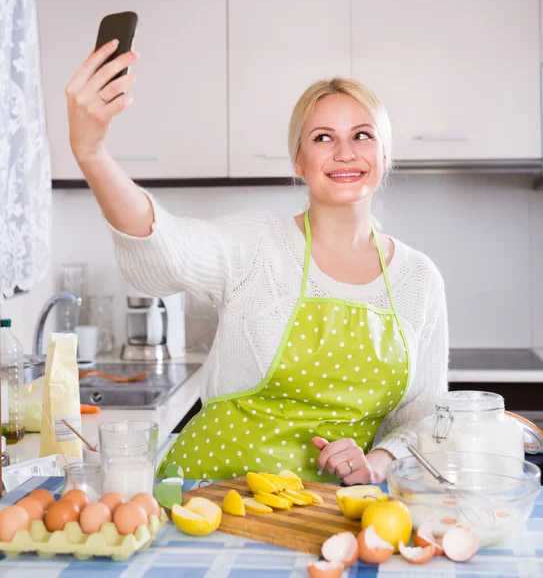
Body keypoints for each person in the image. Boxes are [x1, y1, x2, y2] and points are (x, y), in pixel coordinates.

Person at [66, 40, 448, 485]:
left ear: (384, 155)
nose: (345, 152)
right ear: (299, 162)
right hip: (205, 494)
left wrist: (377, 461)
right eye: (323, 137)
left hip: (320, 509)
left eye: (362, 135)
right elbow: (166, 248)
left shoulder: (419, 279)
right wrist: (92, 154)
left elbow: (423, 415)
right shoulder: (257, 245)